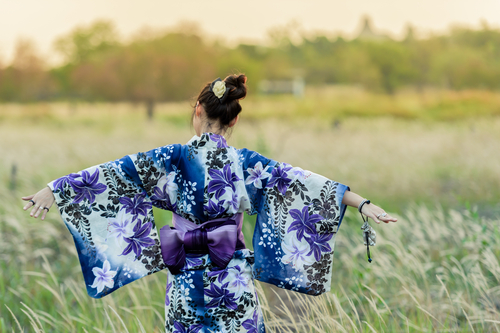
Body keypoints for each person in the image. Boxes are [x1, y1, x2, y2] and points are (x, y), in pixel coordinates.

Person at [22, 74, 397, 333]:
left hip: (185, 282)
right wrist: (363, 204)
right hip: (232, 281)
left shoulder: (171, 158)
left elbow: (115, 174)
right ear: (232, 122)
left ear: (198, 112)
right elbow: (303, 183)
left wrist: (54, 190)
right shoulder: (245, 162)